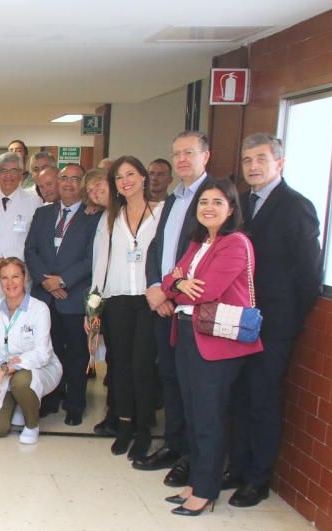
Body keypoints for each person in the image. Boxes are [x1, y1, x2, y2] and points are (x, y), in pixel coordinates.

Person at [227, 133, 322, 508]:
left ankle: (257, 478)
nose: (253, 166)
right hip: (237, 320)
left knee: (262, 400)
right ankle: (235, 467)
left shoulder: (296, 206)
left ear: (279, 164)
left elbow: (309, 275)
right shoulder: (240, 203)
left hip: (274, 325)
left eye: (261, 160)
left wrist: (288, 321)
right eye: (247, 159)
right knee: (236, 396)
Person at [160, 178, 262, 516]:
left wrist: (177, 283)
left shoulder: (236, 243)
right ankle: (196, 482)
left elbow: (206, 291)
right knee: (193, 413)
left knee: (209, 417)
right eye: (204, 201)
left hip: (216, 341)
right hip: (187, 333)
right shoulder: (199, 241)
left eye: (218, 202)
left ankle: (206, 490)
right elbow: (169, 281)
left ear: (231, 209)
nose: (209, 207)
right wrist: (177, 282)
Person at [137, 131, 209, 481]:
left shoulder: (213, 198)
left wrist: (171, 294)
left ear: (205, 156)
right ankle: (173, 444)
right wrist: (154, 287)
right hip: (163, 305)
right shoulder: (174, 199)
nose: (181, 159)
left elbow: (205, 259)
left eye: (189, 153)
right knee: (169, 378)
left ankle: (192, 458)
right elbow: (157, 249)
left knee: (192, 384)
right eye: (176, 153)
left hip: (191, 310)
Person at [90, 156, 163, 459]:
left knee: (143, 368)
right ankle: (124, 427)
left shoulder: (160, 213)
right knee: (119, 368)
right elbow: (100, 264)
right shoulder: (111, 217)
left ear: (144, 177)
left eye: (130, 174)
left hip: (148, 301)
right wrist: (93, 309)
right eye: (119, 178)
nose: (125, 182)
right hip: (116, 300)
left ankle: (144, 431)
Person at [24, 162, 100, 426]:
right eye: (64, 178)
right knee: (47, 351)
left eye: (75, 179)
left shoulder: (95, 217)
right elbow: (30, 250)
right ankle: (51, 398)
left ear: (84, 184)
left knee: (77, 354)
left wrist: (63, 281)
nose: (68, 183)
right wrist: (47, 282)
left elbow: (92, 258)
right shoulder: (43, 214)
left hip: (74, 297)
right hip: (44, 298)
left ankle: (75, 403)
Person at [0, 258, 63, 444]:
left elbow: (42, 354)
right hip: (2, 372)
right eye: (4, 278)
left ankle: (32, 425)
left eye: (15, 276)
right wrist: (0, 367)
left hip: (37, 370)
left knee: (22, 380)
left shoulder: (39, 309)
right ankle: (17, 403)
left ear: (24, 278)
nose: (10, 283)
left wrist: (5, 370)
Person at [0, 152, 42, 306]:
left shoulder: (34, 202)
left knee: (18, 324)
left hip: (19, 275)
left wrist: (6, 263)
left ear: (21, 174)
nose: (8, 176)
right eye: (4, 171)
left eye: (14, 171)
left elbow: (35, 241)